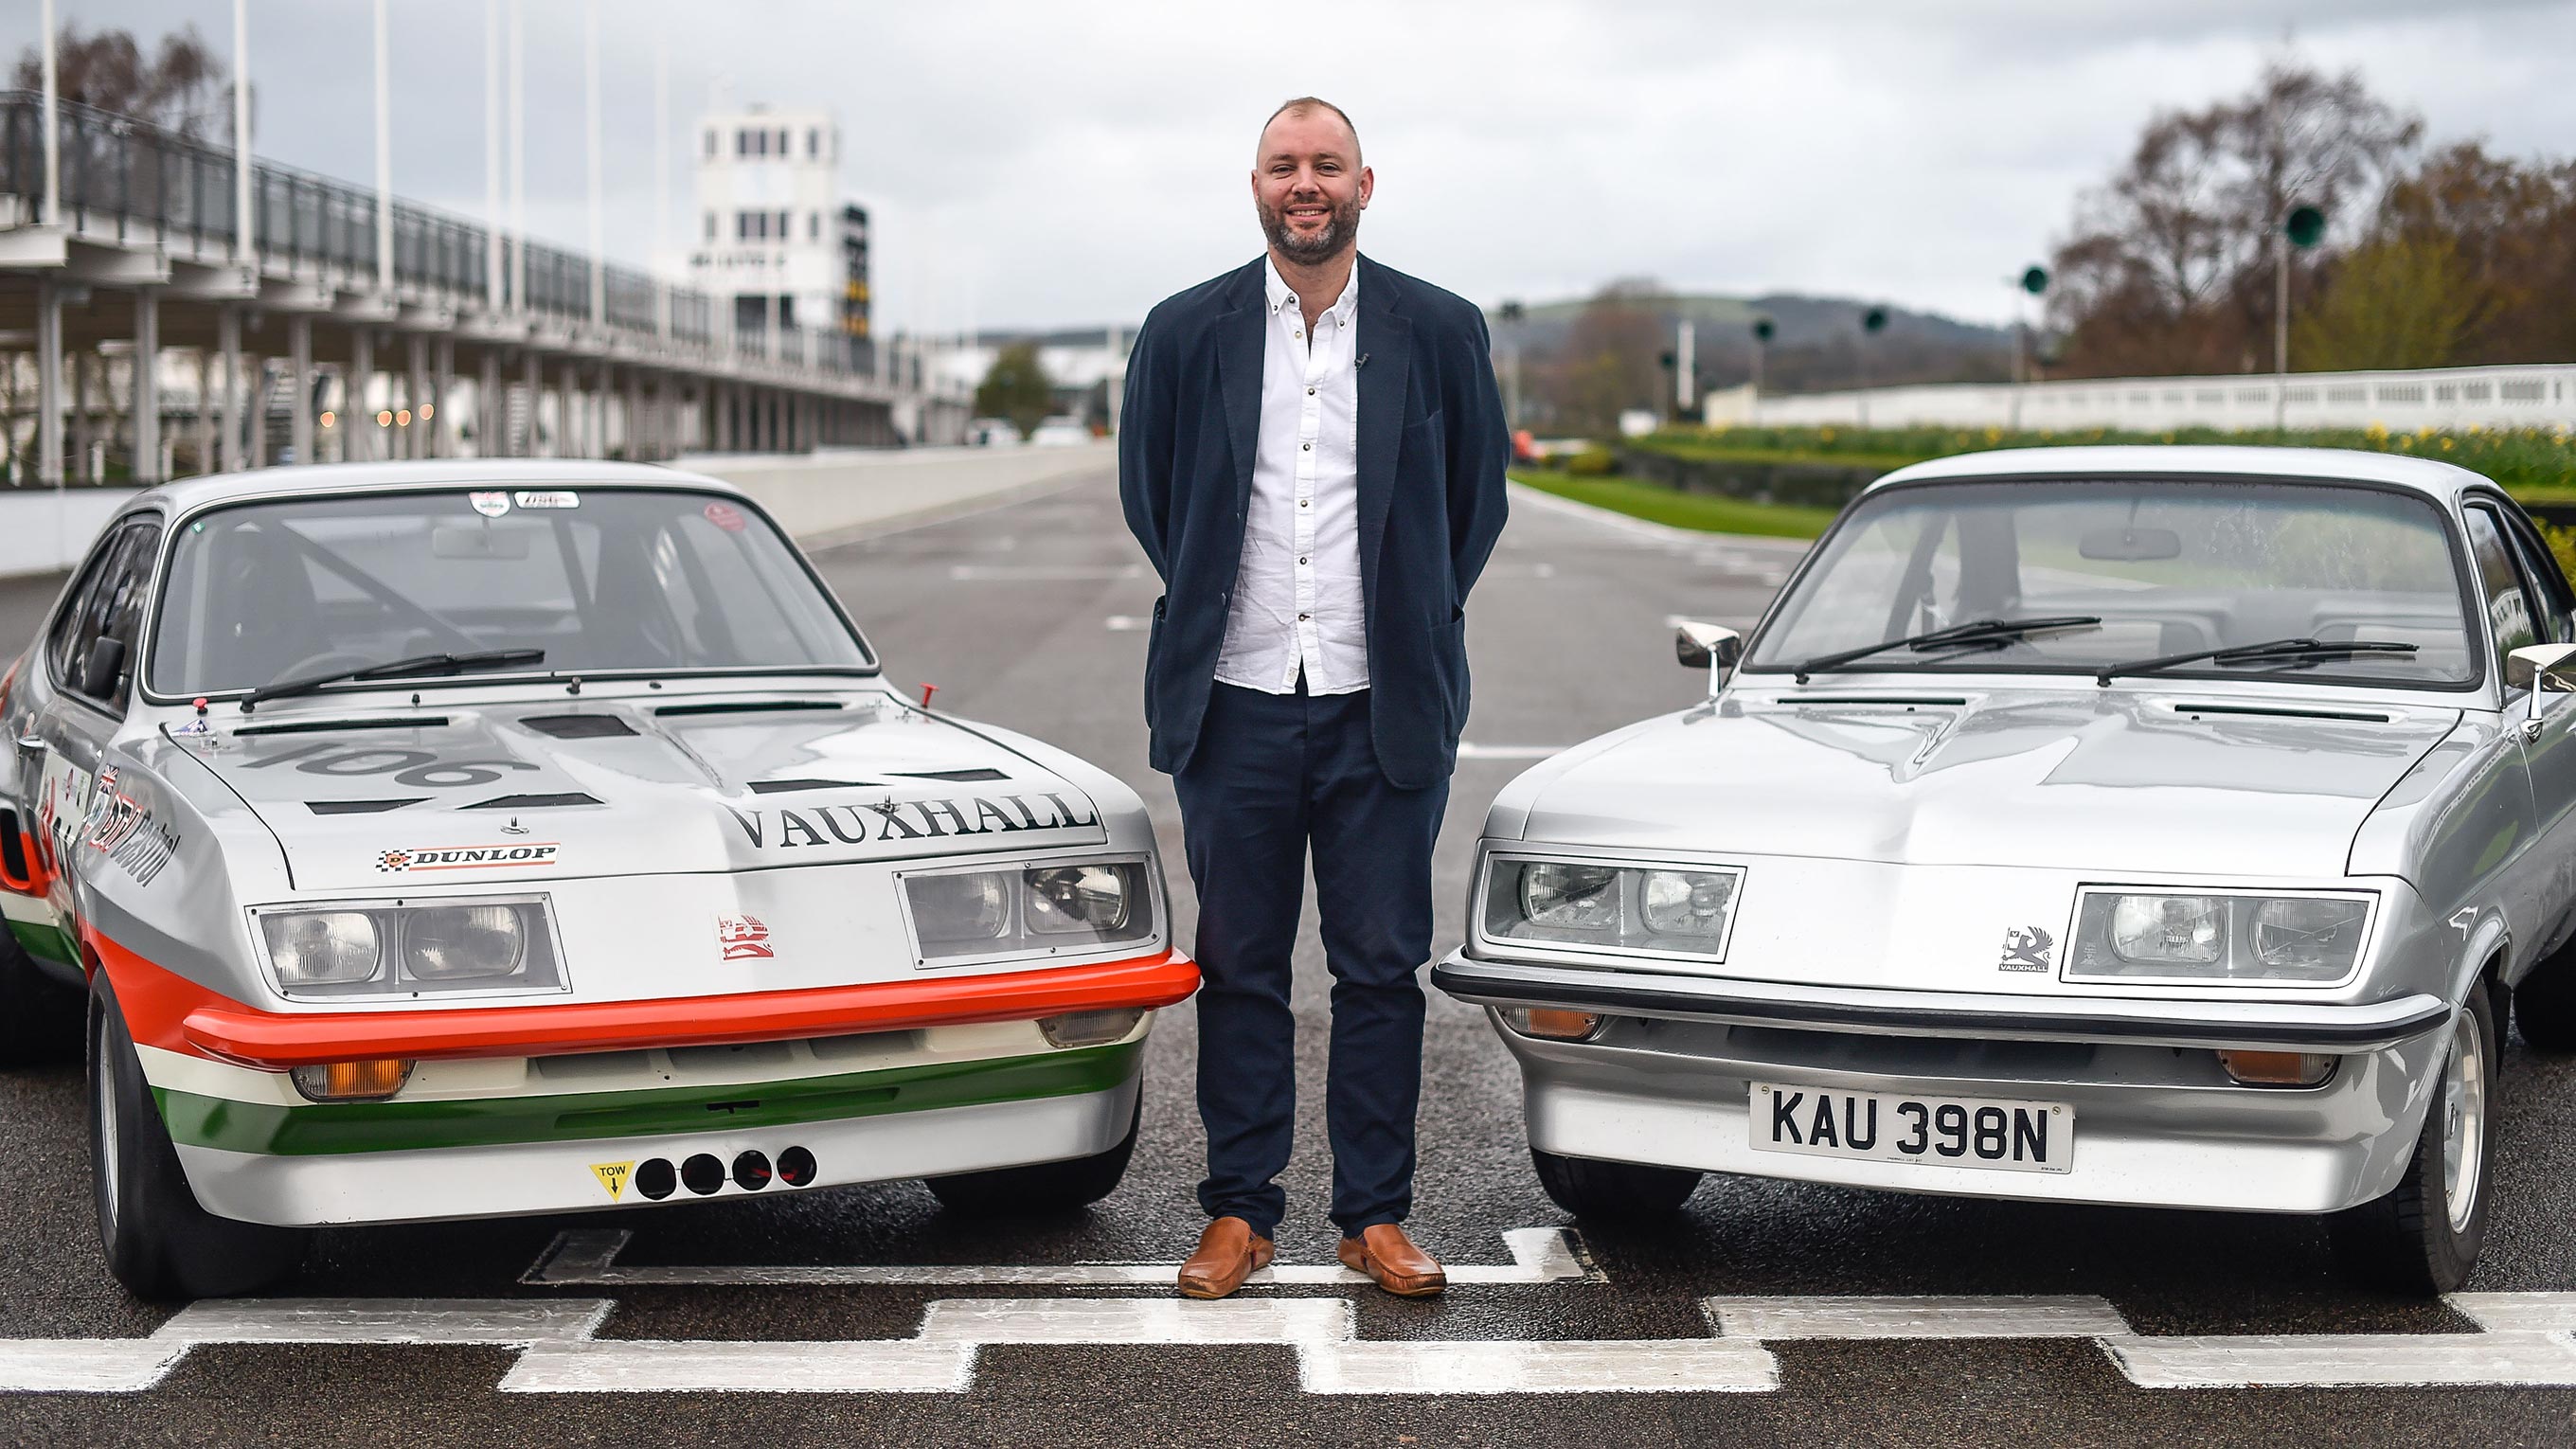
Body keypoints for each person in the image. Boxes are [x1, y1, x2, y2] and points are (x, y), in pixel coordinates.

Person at [1117, 97, 1510, 1300]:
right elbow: (1152, 496)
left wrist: (1406, 617)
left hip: (1379, 699)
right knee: (1239, 967)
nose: (1305, 184)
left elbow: (1473, 504)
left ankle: (1373, 1216)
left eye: (1324, 166)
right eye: (1284, 166)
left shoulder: (1436, 328)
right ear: (1254, 187)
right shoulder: (1186, 330)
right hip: (1231, 699)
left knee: (1379, 968)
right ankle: (1239, 1211)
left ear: (1363, 185)